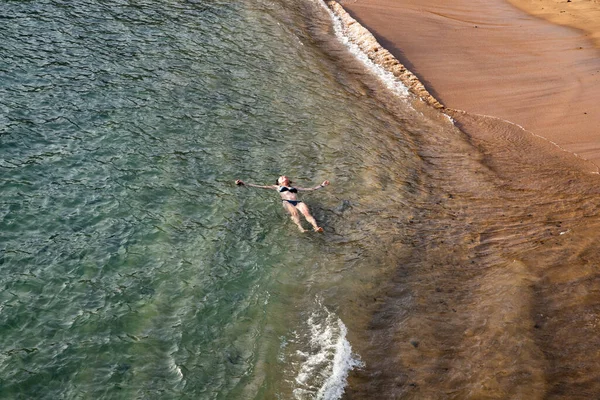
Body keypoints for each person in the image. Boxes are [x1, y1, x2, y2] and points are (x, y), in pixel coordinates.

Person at [235, 175, 330, 232]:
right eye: (281, 177)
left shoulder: (295, 187)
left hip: (297, 202)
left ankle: (316, 227)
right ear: (279, 182)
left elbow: (311, 189)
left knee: (306, 213)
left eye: (285, 177)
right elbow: (261, 186)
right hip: (286, 202)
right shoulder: (277, 187)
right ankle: (300, 228)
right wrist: (244, 183)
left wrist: (322, 185)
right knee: (294, 213)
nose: (283, 177)